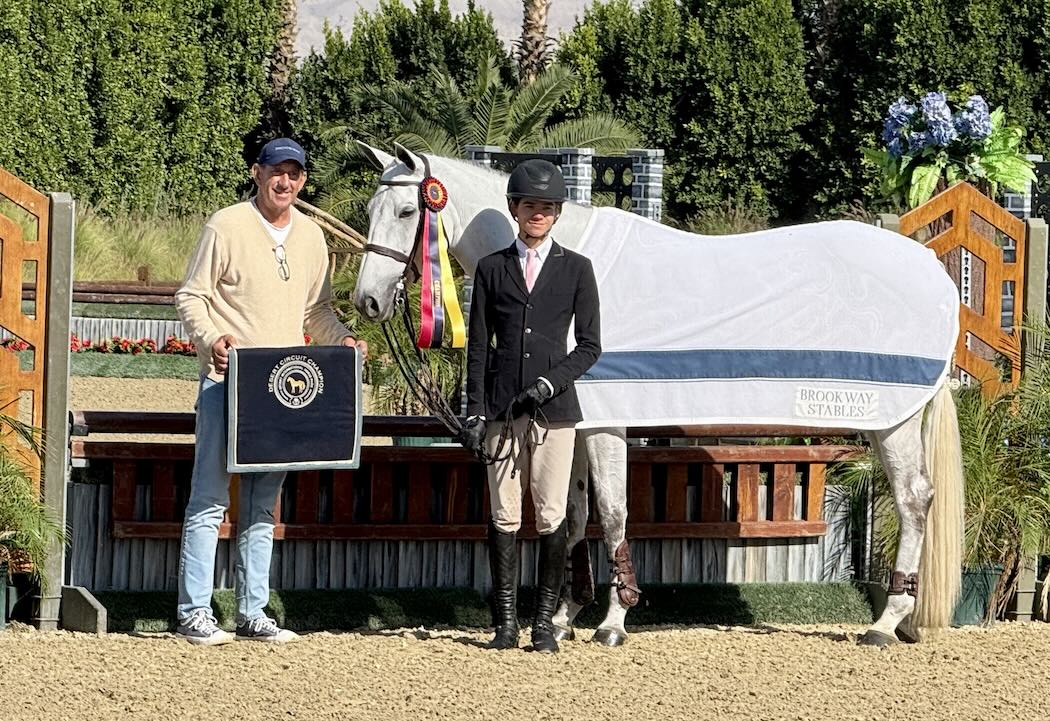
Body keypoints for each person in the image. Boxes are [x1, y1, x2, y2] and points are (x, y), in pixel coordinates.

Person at [174, 137, 367, 645]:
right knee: (210, 501)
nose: (285, 181)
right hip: (226, 386)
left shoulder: (310, 238)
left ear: (303, 180)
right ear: (257, 173)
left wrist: (343, 338)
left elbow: (316, 312)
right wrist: (211, 338)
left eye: (295, 173)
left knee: (262, 507)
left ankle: (252, 612)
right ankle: (194, 612)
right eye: (276, 171)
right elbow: (191, 295)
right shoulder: (226, 225)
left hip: (283, 395)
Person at [459, 159, 601, 653]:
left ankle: (543, 622)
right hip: (500, 408)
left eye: (545, 208)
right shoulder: (491, 268)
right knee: (503, 514)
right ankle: (503, 623)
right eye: (529, 206)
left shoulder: (577, 270)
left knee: (550, 513)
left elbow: (589, 346)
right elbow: (478, 347)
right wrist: (474, 411)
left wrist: (550, 382)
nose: (537, 214)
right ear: (514, 209)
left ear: (556, 213)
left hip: (554, 411)